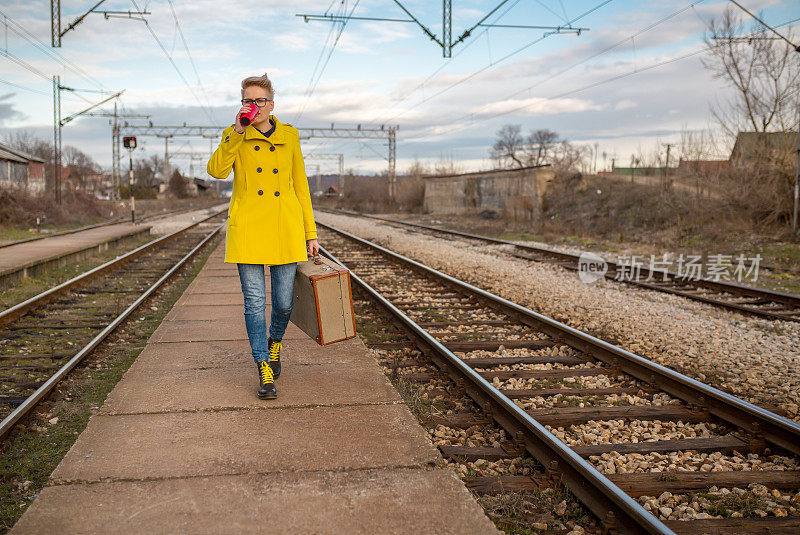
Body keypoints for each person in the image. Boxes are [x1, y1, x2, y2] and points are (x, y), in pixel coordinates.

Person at [207, 73, 319, 400]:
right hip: (249, 230)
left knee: (283, 303)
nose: (253, 106)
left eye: (259, 101)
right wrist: (238, 132)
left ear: (271, 104)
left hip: (285, 228)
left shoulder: (290, 136)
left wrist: (309, 233)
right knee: (254, 303)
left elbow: (301, 187)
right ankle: (263, 366)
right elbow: (216, 171)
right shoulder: (234, 135)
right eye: (247, 100)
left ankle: (275, 343)